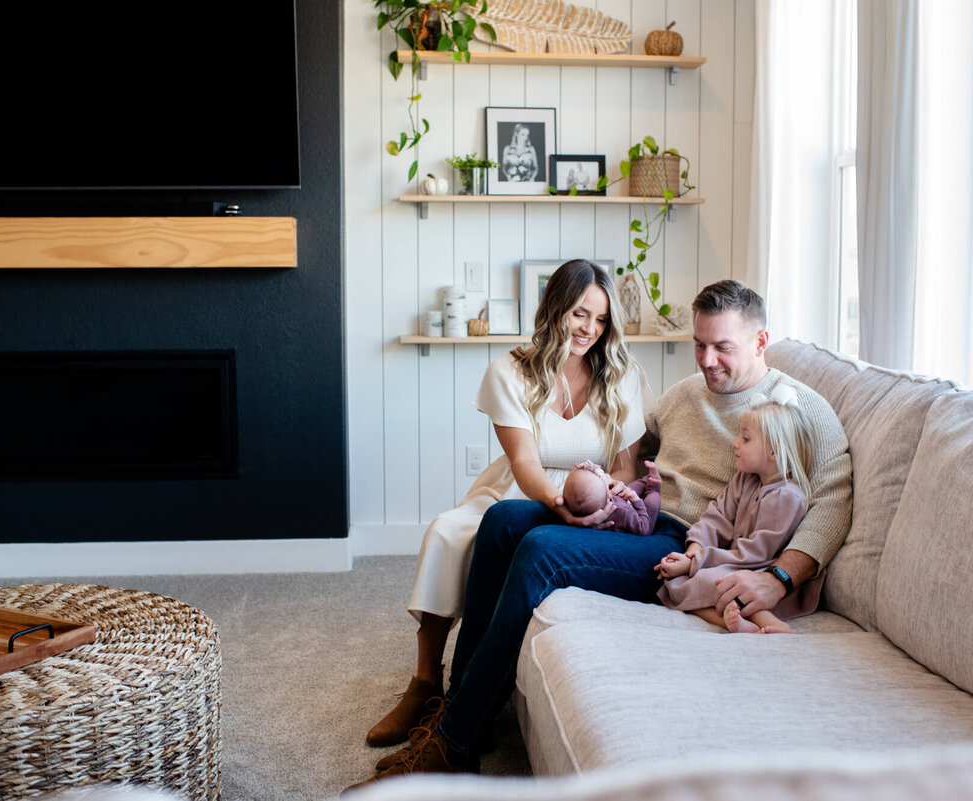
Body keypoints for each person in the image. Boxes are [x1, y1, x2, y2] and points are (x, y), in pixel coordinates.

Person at [349, 279, 851, 787]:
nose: (706, 360)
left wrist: (781, 577)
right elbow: (630, 451)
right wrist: (606, 486)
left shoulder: (796, 406)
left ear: (761, 342)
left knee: (542, 551)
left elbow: (833, 495)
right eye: (699, 344)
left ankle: (452, 747)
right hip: (641, 518)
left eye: (723, 347)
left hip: (683, 547)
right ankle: (458, 711)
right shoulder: (684, 395)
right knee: (500, 521)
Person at [364, 259, 651, 750]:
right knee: (447, 532)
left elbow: (626, 467)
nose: (589, 329)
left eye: (601, 320)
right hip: (522, 488)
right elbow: (525, 463)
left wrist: (600, 499)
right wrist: (556, 500)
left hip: (593, 493)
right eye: (580, 314)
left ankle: (465, 696)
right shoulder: (509, 371)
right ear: (556, 307)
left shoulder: (621, 376)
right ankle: (425, 682)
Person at [655, 383, 817, 634]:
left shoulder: (786, 497)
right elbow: (717, 516)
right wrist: (693, 552)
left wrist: (697, 563)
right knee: (675, 582)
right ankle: (734, 623)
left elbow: (755, 555)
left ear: (773, 452)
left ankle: (773, 624)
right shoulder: (746, 479)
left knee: (714, 581)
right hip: (737, 562)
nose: (735, 443)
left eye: (746, 438)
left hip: (760, 568)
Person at [562, 459, 662, 537]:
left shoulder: (591, 502)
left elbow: (589, 485)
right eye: (599, 477)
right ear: (608, 493)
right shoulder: (624, 513)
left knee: (630, 488)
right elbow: (643, 529)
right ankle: (653, 488)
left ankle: (646, 480)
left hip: (620, 499)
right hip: (641, 519)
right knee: (651, 503)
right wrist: (637, 502)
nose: (603, 475)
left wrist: (585, 467)